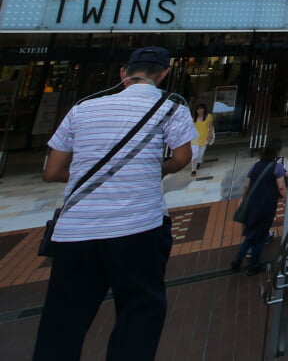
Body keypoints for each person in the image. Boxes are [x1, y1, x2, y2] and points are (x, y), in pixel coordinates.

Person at [34, 46, 195, 361]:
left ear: (124, 73)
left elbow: (51, 172)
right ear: (164, 73)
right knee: (139, 313)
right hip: (138, 227)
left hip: (75, 233)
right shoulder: (171, 107)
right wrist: (153, 169)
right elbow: (182, 158)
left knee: (62, 321)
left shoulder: (82, 108)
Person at [231, 138, 288, 274]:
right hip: (266, 205)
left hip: (252, 204)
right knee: (260, 235)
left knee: (252, 233)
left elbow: (246, 185)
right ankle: (253, 266)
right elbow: (281, 187)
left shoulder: (255, 165)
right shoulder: (277, 167)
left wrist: (243, 199)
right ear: (276, 152)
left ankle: (238, 260)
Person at [191, 103, 215, 175]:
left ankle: (198, 162)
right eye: (198, 109)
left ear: (204, 109)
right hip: (194, 139)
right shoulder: (193, 119)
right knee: (195, 153)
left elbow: (210, 127)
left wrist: (209, 136)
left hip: (204, 137)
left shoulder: (208, 117)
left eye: (201, 108)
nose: (199, 110)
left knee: (201, 153)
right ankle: (193, 170)